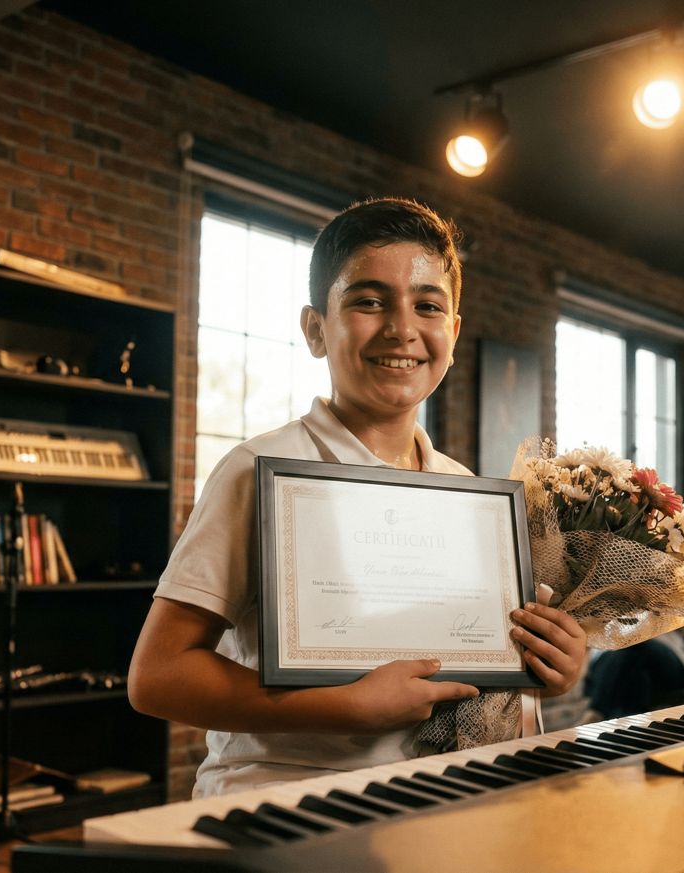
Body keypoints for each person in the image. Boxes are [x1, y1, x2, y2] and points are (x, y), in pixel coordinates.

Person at [127, 198, 586, 797]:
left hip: (438, 795)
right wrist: (340, 706)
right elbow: (158, 677)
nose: (402, 328)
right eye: (368, 301)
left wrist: (546, 667)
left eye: (427, 305)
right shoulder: (257, 470)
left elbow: (477, 669)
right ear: (316, 329)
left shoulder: (467, 493)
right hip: (286, 797)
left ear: (452, 330)